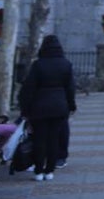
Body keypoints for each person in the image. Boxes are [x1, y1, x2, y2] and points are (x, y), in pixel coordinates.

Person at [18, 35, 76, 181]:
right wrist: (71, 105)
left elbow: (28, 89)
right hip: (59, 106)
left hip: (40, 107)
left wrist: (25, 109)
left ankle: (38, 170)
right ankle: (49, 170)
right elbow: (70, 88)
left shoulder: (38, 65)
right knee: (54, 139)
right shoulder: (66, 64)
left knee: (39, 138)